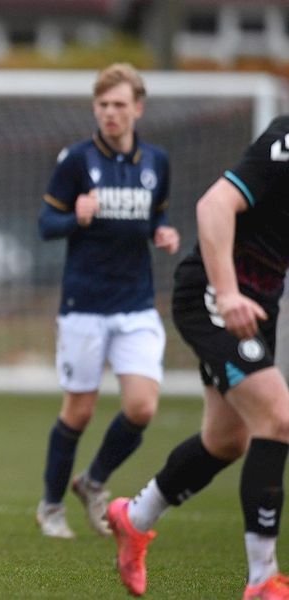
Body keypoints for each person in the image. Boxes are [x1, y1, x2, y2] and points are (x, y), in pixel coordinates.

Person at [106, 116, 289, 598]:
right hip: (214, 292)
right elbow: (213, 205)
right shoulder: (288, 138)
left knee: (227, 440)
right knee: (278, 417)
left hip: (260, 305)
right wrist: (227, 294)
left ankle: (134, 517)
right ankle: (262, 579)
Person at [36, 63, 180, 539]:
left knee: (141, 407)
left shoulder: (156, 162)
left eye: (119, 104)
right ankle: (52, 505)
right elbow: (45, 225)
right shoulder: (77, 160)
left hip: (136, 303)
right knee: (78, 411)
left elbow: (153, 218)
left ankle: (93, 481)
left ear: (138, 107)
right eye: (103, 105)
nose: (110, 113)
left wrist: (162, 232)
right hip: (85, 303)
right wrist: (75, 216)